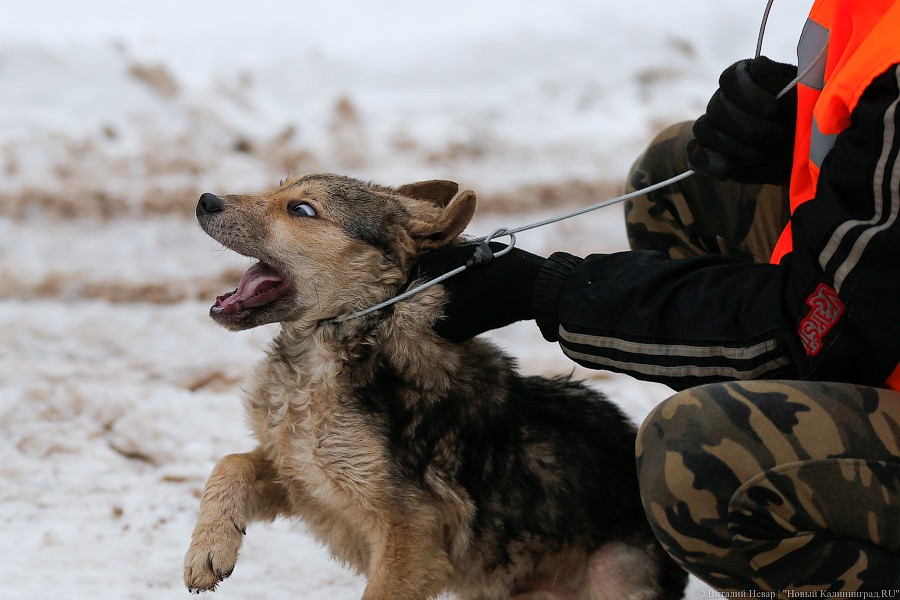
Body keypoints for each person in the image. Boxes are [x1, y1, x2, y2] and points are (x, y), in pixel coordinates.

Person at [415, 0, 900, 594]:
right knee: (677, 181)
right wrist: (796, 143)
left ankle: (810, 491)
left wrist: (549, 290)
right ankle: (822, 475)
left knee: (697, 454)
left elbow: (810, 330)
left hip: (861, 334)